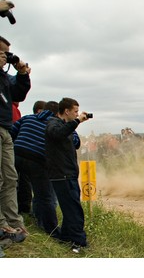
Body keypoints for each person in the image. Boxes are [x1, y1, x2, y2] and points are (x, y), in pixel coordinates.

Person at [45, 97, 90, 253]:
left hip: (68, 173)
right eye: (75, 111)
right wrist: (76, 122)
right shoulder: (53, 123)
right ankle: (78, 242)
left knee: (70, 208)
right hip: (61, 174)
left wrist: (74, 124)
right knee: (74, 210)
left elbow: (74, 142)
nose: (77, 114)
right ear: (66, 111)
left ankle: (65, 237)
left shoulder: (65, 126)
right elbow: (56, 133)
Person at [10, 101, 60, 237]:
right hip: (38, 160)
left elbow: (11, 132)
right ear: (58, 113)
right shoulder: (56, 124)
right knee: (45, 196)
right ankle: (51, 230)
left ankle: (14, 217)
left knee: (10, 186)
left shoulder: (27, 118)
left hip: (17, 154)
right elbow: (73, 141)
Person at [0, 35, 31, 243]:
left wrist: (22, 74)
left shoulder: (3, 76)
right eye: (2, 52)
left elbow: (18, 94)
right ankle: (2, 223)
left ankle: (14, 221)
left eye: (7, 53)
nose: (6, 57)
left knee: (11, 178)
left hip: (5, 127)